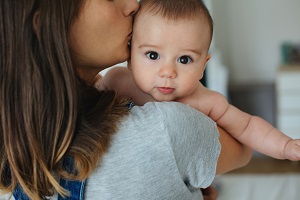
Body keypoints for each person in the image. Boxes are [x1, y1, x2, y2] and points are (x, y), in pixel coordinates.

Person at [0, 0, 252, 200]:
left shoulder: (11, 158)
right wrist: (197, 99)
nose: (133, 4)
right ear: (45, 23)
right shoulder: (165, 129)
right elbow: (243, 146)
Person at [102, 0, 300, 161]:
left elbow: (246, 126)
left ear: (203, 67)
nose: (168, 71)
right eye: (153, 55)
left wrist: (285, 146)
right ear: (130, 58)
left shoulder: (206, 101)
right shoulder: (117, 82)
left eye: (184, 59)